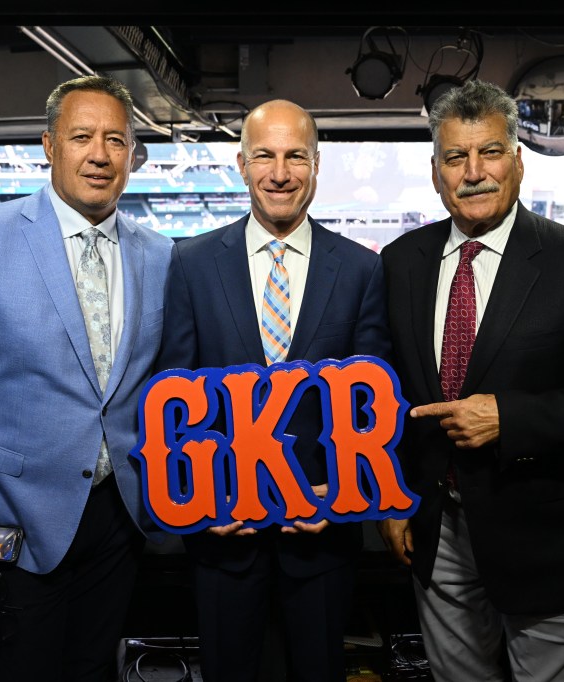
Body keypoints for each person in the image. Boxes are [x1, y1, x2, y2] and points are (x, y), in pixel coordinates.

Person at [378, 79, 564, 681]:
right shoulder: (401, 262)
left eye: (491, 152)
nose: (474, 171)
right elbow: (393, 397)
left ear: (518, 162)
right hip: (439, 536)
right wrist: (396, 501)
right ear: (436, 172)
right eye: (456, 156)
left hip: (546, 545)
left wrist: (511, 418)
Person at [0, 74, 173, 682]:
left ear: (132, 153)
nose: (100, 154)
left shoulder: (159, 253)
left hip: (120, 520)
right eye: (82, 136)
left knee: (94, 670)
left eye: (116, 139)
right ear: (49, 145)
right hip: (19, 523)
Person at [156, 99, 391, 682]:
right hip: (222, 538)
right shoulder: (189, 263)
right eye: (264, 155)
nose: (279, 172)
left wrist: (339, 494)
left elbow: (372, 409)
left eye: (295, 157)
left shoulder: (362, 269)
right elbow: (172, 399)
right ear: (241, 163)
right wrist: (197, 502)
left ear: (316, 165)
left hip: (322, 540)